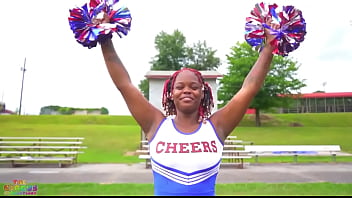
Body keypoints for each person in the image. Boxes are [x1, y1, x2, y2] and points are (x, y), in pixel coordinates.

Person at [99, 17, 278, 196]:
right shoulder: (155, 124)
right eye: (179, 87)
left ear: (202, 94)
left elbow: (248, 89)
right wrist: (105, 40)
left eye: (194, 87)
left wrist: (269, 48)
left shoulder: (217, 126)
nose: (187, 91)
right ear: (171, 93)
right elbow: (125, 85)